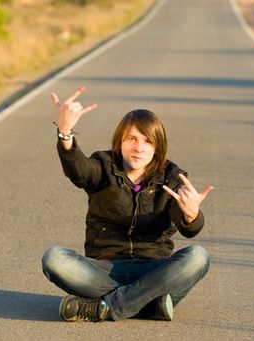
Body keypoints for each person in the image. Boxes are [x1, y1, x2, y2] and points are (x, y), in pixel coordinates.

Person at [42, 87, 213, 322]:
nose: (139, 148)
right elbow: (78, 169)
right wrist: (65, 131)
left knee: (198, 257)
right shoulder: (103, 165)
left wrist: (192, 215)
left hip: (153, 270)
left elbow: (189, 230)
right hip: (105, 271)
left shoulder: (171, 177)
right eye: (132, 139)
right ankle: (149, 305)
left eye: (147, 141)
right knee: (53, 258)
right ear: (120, 142)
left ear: (157, 147)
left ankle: (106, 307)